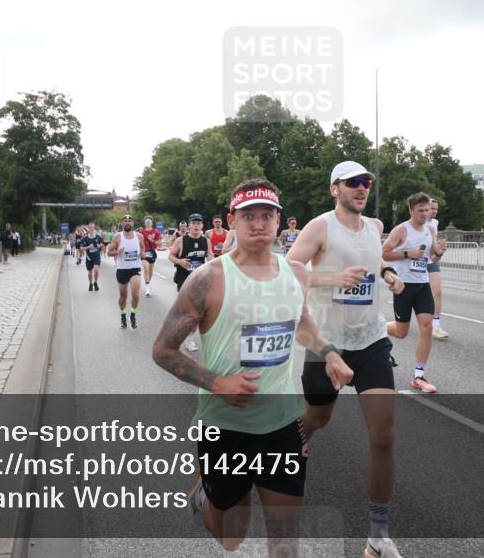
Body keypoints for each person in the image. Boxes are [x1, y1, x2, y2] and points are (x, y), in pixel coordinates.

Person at [152, 179, 353, 558]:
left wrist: (328, 353)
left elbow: (302, 322)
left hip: (283, 424)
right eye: (248, 216)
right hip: (225, 427)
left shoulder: (297, 273)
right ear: (232, 221)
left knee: (285, 537)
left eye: (266, 215)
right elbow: (163, 350)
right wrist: (218, 383)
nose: (258, 224)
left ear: (278, 220)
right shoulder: (207, 279)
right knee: (231, 538)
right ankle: (205, 495)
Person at [285, 160, 406, 558]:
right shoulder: (319, 227)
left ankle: (378, 536)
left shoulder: (374, 226)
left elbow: (375, 260)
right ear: (334, 188)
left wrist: (387, 274)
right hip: (327, 344)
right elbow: (289, 270)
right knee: (317, 419)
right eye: (353, 182)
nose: (361, 187)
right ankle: (290, 447)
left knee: (383, 436)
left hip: (371, 340)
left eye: (366, 181)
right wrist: (332, 278)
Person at [383, 192, 446, 393]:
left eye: (427, 210)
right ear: (411, 210)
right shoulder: (402, 230)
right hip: (403, 286)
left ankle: (419, 376)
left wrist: (440, 252)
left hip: (422, 285)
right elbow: (383, 253)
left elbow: (432, 258)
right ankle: (377, 327)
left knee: (426, 327)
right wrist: (407, 253)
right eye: (420, 211)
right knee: (402, 332)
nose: (425, 214)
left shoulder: (430, 229)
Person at [168, 213, 214, 352]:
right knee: (189, 312)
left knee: (196, 312)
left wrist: (211, 261)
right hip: (184, 280)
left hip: (200, 280)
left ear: (202, 225)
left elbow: (210, 255)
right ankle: (182, 333)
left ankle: (189, 339)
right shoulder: (181, 240)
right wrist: (180, 261)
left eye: (198, 223)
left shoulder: (205, 241)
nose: (196, 226)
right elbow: (171, 256)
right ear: (189, 225)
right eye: (193, 223)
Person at [106, 214, 145, 330]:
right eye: (125, 221)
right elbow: (109, 252)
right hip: (122, 269)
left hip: (135, 268)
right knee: (123, 297)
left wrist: (142, 253)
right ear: (122, 223)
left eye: (130, 221)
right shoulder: (117, 237)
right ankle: (123, 315)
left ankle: (132, 315)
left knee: (135, 294)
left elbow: (143, 247)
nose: (127, 222)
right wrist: (117, 252)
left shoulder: (139, 236)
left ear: (133, 223)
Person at [427, 199, 449, 340]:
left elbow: (433, 247)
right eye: (432, 208)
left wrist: (439, 251)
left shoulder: (435, 223)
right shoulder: (415, 223)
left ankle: (435, 325)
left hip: (430, 261)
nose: (434, 211)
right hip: (415, 263)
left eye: (436, 208)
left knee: (438, 292)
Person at [139, 217, 163, 297]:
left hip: (152, 252)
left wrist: (152, 240)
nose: (148, 222)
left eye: (149, 221)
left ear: (152, 223)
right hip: (144, 252)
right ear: (144, 223)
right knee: (146, 269)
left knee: (150, 271)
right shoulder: (141, 232)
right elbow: (138, 243)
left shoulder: (156, 232)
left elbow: (160, 243)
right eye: (146, 221)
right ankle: (147, 288)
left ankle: (148, 284)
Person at [81, 222, 104, 291]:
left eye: (93, 227)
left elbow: (101, 244)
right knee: (90, 272)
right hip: (89, 257)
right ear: (88, 228)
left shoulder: (98, 237)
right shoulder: (85, 238)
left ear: (94, 228)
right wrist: (88, 247)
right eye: (90, 227)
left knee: (96, 269)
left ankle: (95, 282)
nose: (91, 229)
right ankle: (90, 284)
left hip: (96, 256)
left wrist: (100, 246)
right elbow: (81, 248)